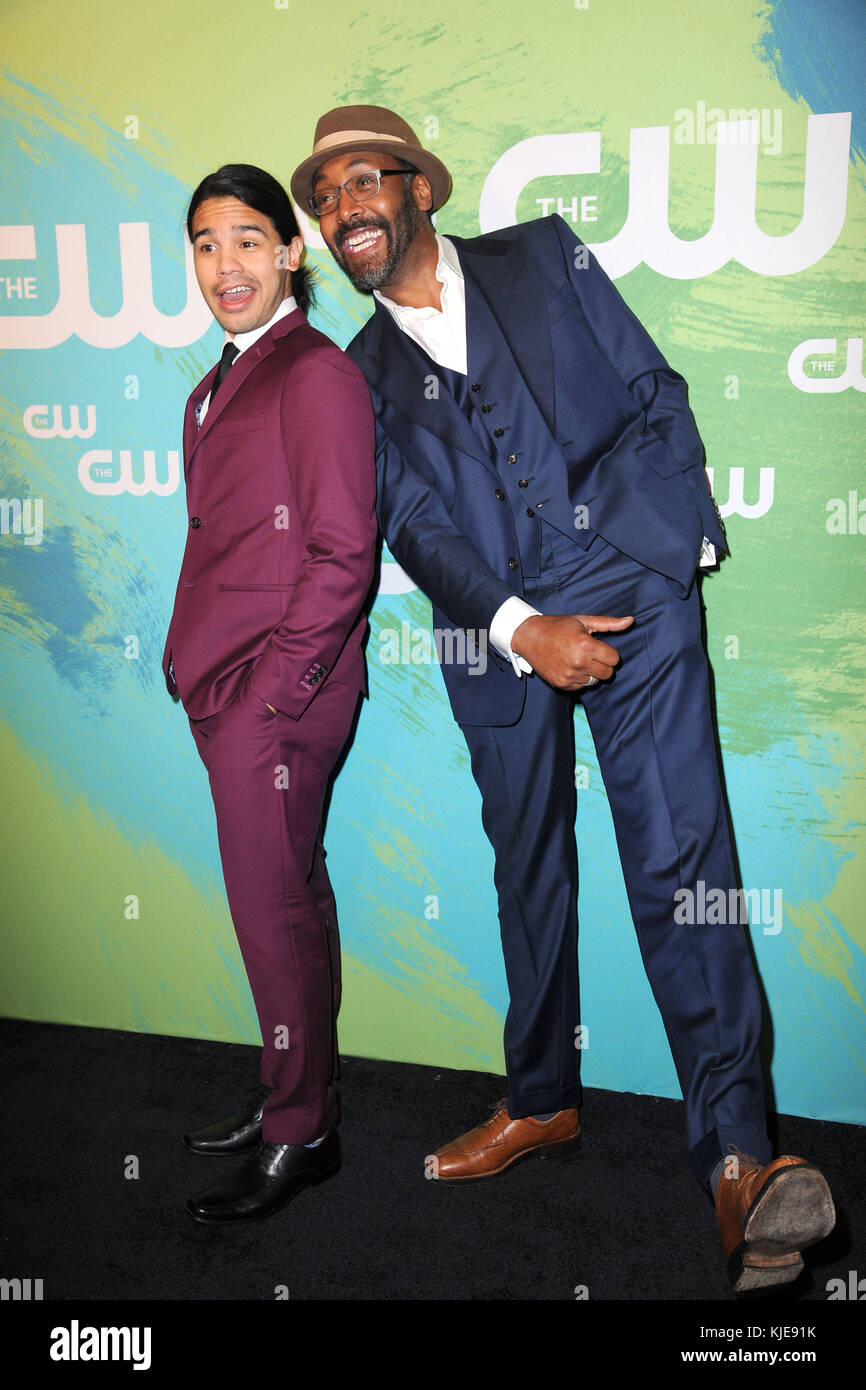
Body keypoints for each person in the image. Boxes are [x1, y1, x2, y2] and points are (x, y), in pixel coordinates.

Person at [291, 107, 835, 1290]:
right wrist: (517, 626)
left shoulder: (541, 253)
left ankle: (738, 1154)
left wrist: (668, 546)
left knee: (683, 864)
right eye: (322, 199)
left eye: (360, 183)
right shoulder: (353, 374)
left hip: (630, 595)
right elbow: (415, 525)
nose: (342, 210)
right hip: (496, 632)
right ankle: (540, 1100)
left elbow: (649, 383)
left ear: (416, 188)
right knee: (524, 867)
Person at [162, 163, 377, 1223]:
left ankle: (303, 1134)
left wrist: (271, 698)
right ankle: (301, 1093)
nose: (225, 265)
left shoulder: (316, 374)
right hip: (226, 688)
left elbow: (343, 555)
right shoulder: (217, 382)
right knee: (294, 901)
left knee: (267, 911)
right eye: (206, 244)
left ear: (291, 252)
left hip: (277, 697)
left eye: (249, 240)